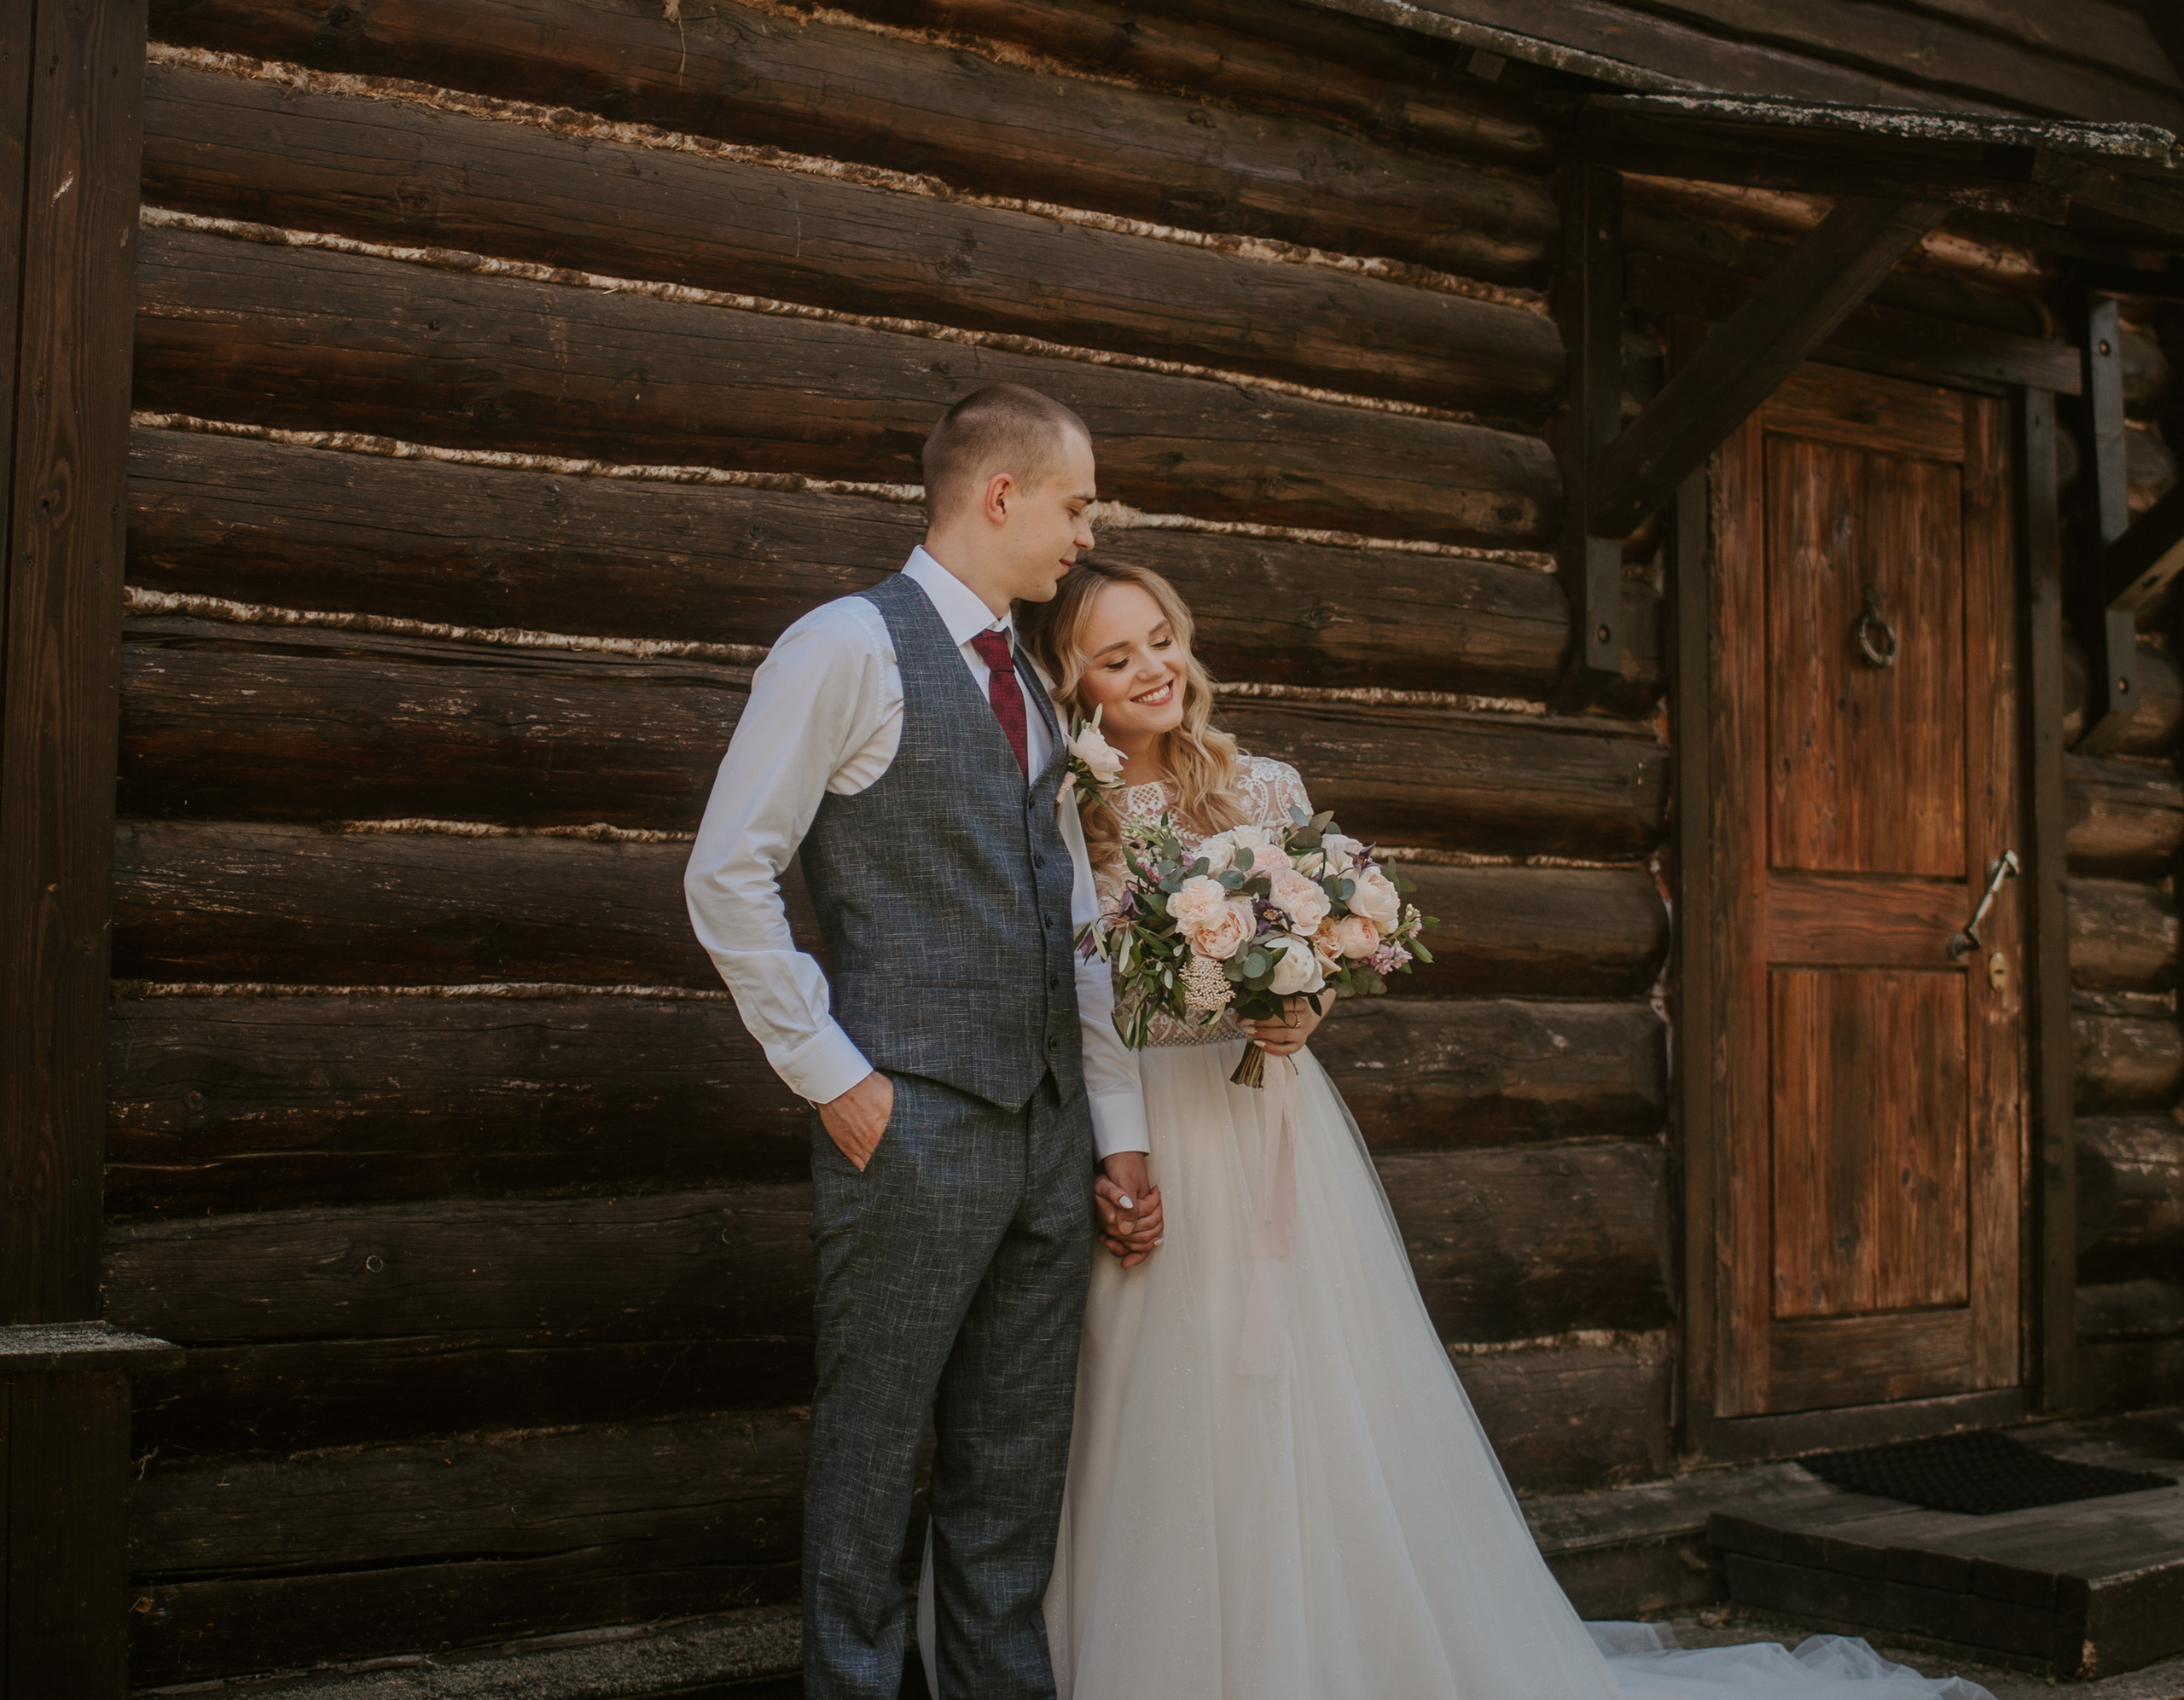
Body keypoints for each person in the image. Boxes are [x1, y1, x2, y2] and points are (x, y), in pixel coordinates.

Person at [1024, 552, 1994, 1700]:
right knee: (1154, 1395)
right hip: (1151, 1126)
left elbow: (1319, 944)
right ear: (1071, 682)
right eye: (1116, 655)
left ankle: (1319, 1652)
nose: (1154, 669)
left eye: (1163, 640)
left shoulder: (1264, 786)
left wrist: (1301, 1007)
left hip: (1272, 1125)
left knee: (1302, 1389)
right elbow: (1081, 994)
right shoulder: (1067, 808)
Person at [683, 386, 1156, 1700]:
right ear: (999, 495)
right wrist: (838, 1082)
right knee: (873, 1472)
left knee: (1012, 1487)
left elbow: (1068, 921)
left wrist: (1112, 1133)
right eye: (1075, 505)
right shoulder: (845, 645)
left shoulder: (1039, 692)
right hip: (912, 1126)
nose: (1085, 534)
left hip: (1046, 1137)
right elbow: (728, 875)